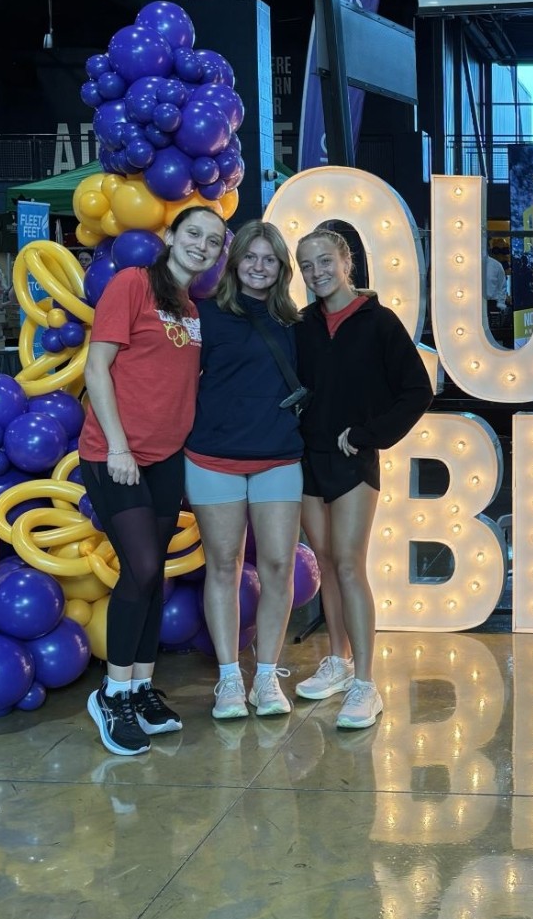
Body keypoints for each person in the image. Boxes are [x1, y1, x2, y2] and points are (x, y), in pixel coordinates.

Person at [79, 205, 227, 755]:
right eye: (193, 234)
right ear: (170, 235)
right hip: (115, 455)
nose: (202, 246)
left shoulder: (191, 307)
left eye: (213, 242)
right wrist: (118, 445)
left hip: (166, 459)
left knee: (152, 573)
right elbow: (97, 368)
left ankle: (139, 687)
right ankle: (112, 694)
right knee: (139, 567)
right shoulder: (132, 284)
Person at [292, 227, 434, 728]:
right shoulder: (302, 324)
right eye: (307, 266)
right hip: (306, 460)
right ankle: (337, 660)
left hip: (353, 462)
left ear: (346, 260)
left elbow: (418, 390)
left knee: (350, 564)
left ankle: (365, 684)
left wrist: (369, 434)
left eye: (325, 260)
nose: (316, 272)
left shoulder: (379, 322)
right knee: (326, 562)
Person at [184, 221, 304, 720]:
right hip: (213, 457)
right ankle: (230, 679)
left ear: (281, 269)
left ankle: (266, 676)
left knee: (278, 565)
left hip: (278, 456)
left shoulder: (295, 324)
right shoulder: (205, 316)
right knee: (225, 566)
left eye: (269, 259)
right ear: (234, 264)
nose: (258, 266)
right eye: (250, 257)